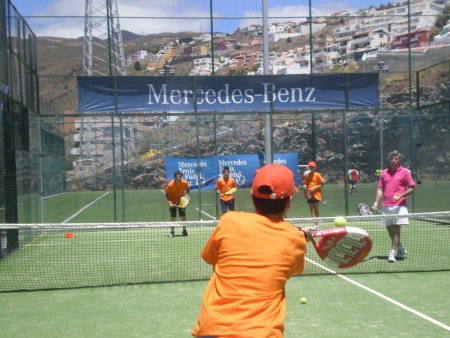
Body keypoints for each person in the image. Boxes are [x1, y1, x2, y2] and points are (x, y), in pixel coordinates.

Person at [192, 164, 310, 338]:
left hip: (212, 329)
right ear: (289, 202)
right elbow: (295, 269)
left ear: (251, 196)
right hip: (261, 333)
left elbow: (212, 259)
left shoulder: (229, 221)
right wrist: (299, 235)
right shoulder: (295, 240)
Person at [372, 151, 415, 263]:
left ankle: (392, 253)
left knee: (396, 229)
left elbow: (411, 187)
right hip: (386, 205)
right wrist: (376, 202)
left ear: (399, 160)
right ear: (389, 160)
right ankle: (400, 248)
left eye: (396, 159)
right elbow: (380, 189)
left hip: (399, 206)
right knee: (390, 229)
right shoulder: (384, 173)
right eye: (392, 158)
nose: (394, 160)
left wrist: (401, 195)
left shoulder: (405, 172)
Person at [165, 170, 190, 237]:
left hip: (181, 200)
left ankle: (184, 230)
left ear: (181, 177)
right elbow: (167, 194)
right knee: (173, 215)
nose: (178, 178)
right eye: (177, 177)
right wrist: (170, 203)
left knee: (183, 214)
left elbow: (187, 188)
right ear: (175, 178)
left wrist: (187, 195)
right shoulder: (171, 185)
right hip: (173, 200)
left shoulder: (184, 182)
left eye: (179, 176)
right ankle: (172, 231)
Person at [302, 161, 324, 228]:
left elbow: (322, 184)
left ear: (315, 167)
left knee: (316, 208)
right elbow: (305, 184)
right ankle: (314, 224)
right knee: (311, 208)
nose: (311, 168)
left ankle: (316, 224)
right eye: (310, 167)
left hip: (316, 194)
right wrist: (305, 186)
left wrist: (314, 188)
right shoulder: (307, 175)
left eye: (312, 167)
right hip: (309, 195)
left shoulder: (317, 174)